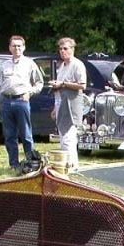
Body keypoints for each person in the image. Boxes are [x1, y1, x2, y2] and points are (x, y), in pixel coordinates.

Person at [0, 35, 44, 173]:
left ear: (24, 47)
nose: (17, 48)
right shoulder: (5, 65)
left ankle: (31, 163)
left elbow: (39, 83)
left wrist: (30, 92)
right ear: (10, 48)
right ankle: (14, 164)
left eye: (19, 46)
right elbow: (0, 86)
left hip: (21, 100)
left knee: (26, 134)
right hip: (6, 101)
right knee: (9, 135)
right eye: (14, 46)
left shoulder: (30, 64)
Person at [49, 37, 86, 172]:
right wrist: (55, 107)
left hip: (72, 106)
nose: (62, 51)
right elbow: (58, 90)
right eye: (60, 49)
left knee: (69, 137)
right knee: (63, 137)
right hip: (61, 104)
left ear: (72, 49)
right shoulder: (62, 66)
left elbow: (82, 85)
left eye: (65, 48)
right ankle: (66, 165)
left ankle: (73, 167)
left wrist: (63, 84)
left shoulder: (77, 65)